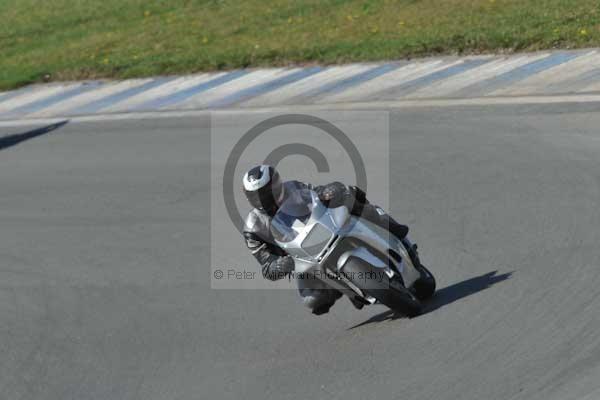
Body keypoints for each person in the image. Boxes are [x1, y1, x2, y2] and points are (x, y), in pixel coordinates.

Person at [242, 165, 410, 315]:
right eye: (257, 195)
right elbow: (266, 265)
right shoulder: (253, 228)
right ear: (250, 198)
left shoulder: (293, 188)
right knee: (312, 300)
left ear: (277, 184)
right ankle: (342, 289)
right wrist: (280, 264)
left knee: (351, 196)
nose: (264, 198)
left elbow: (315, 195)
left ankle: (391, 227)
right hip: (301, 257)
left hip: (326, 229)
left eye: (267, 191)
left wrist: (328, 192)